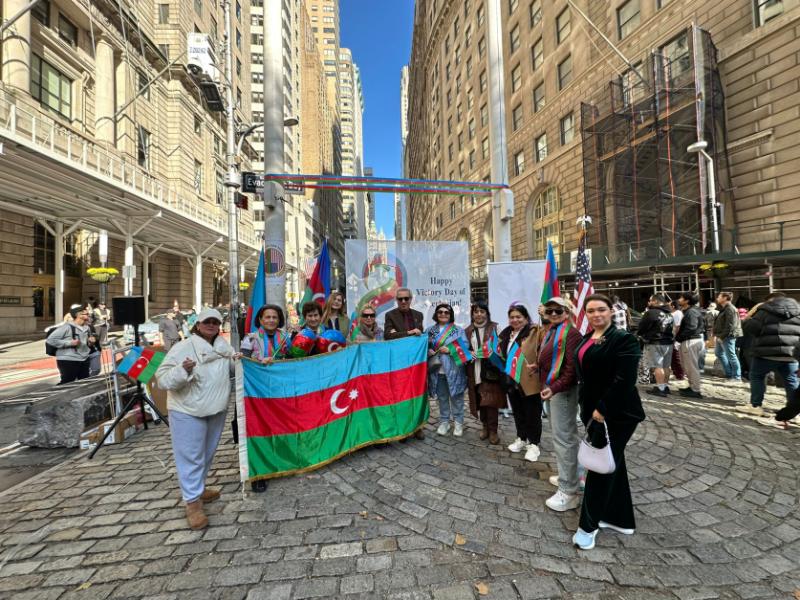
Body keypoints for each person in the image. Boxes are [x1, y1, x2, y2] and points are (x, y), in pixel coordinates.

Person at [572, 294, 645, 550]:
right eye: (590, 311)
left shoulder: (623, 339)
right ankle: (619, 518)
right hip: (592, 411)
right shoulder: (585, 338)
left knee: (599, 468)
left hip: (616, 414)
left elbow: (625, 380)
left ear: (611, 311)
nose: (596, 314)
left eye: (601, 310)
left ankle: (587, 526)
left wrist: (602, 409)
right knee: (613, 462)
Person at [155, 308, 237, 530]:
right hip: (187, 410)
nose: (211, 325)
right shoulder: (182, 348)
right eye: (207, 321)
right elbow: (162, 379)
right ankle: (192, 502)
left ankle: (198, 488)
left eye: (215, 322)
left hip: (216, 408)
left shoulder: (223, 347)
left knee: (207, 453)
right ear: (198, 325)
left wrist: (247, 362)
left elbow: (232, 366)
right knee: (190, 455)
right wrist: (182, 371)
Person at [537, 297, 583, 512]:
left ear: (567, 311)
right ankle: (574, 477)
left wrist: (554, 388)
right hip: (553, 388)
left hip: (562, 391)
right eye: (550, 310)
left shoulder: (570, 333)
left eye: (558, 310)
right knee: (568, 437)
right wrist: (536, 366)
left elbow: (571, 370)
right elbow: (552, 359)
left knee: (563, 439)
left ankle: (568, 490)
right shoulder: (554, 330)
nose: (553, 314)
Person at [740, 292, 800, 417]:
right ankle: (795, 411)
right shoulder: (798, 311)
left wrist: (752, 312)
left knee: (757, 376)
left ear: (770, 300)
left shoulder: (765, 310)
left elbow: (750, 328)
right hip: (791, 353)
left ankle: (756, 406)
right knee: (791, 381)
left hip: (766, 352)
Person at [499, 304, 544, 462]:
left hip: (529, 380)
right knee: (518, 411)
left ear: (526, 318)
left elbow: (545, 348)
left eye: (519, 317)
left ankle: (534, 444)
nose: (515, 320)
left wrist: (544, 315)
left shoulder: (535, 331)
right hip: (511, 380)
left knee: (532, 413)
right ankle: (522, 438)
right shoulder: (506, 334)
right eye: (512, 317)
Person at [465, 302, 505, 445]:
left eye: (482, 311)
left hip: (490, 371)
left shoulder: (495, 327)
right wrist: (468, 353)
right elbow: (464, 349)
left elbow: (502, 347)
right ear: (472, 314)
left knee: (491, 401)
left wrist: (493, 351)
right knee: (480, 401)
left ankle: (493, 430)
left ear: (487, 313)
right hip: (475, 369)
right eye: (476, 311)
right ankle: (485, 427)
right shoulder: (468, 330)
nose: (479, 314)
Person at [427, 303, 468, 436]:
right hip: (436, 371)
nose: (443, 314)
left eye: (446, 312)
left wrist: (450, 350)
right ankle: (444, 422)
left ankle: (458, 423)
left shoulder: (458, 331)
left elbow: (465, 348)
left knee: (456, 397)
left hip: (454, 370)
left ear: (450, 315)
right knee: (442, 398)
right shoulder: (429, 330)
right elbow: (422, 347)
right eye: (440, 312)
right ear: (436, 314)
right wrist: (428, 351)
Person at [46, 304, 97, 384]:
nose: (88, 315)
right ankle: (57, 396)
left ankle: (80, 396)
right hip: (68, 359)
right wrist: (69, 343)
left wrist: (90, 342)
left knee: (84, 383)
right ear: (78, 315)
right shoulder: (67, 327)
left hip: (83, 359)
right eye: (86, 314)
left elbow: (85, 344)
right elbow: (50, 340)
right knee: (67, 383)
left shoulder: (87, 328)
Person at [636, 294, 674, 397]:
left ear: (655, 301)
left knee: (657, 366)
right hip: (668, 342)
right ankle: (665, 386)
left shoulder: (651, 313)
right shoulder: (669, 313)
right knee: (666, 366)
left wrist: (641, 334)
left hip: (655, 342)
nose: (649, 302)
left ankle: (660, 388)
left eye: (650, 300)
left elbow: (642, 327)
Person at [675, 292, 706, 398]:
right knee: (687, 366)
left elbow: (691, 327)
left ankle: (695, 390)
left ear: (687, 301)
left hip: (690, 341)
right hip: (690, 340)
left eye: (681, 298)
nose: (679, 299)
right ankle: (692, 386)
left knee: (691, 367)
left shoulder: (691, 312)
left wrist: (679, 337)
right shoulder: (691, 311)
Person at [712, 292, 743, 381]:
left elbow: (730, 325)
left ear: (725, 298)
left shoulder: (730, 308)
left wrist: (722, 337)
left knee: (731, 356)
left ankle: (737, 377)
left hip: (728, 336)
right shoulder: (724, 308)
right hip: (722, 335)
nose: (717, 298)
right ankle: (729, 373)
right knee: (719, 353)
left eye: (719, 297)